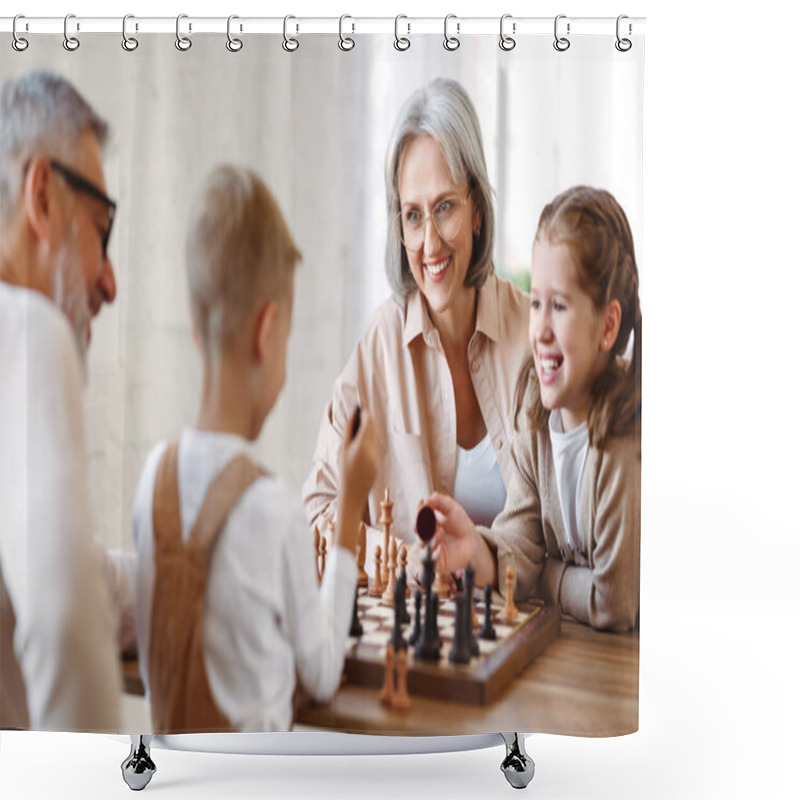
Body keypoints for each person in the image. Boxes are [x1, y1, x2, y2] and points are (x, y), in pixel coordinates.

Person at [131, 165, 378, 733]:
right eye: (288, 339)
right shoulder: (271, 507)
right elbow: (320, 672)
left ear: (197, 332)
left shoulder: (152, 481)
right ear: (267, 332)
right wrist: (347, 520)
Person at [302, 78, 530, 556]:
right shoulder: (381, 343)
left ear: (477, 210)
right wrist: (415, 565)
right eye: (412, 215)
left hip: (527, 624)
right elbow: (319, 511)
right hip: (417, 623)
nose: (430, 245)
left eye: (444, 207)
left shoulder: (529, 330)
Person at [427, 186, 641, 632]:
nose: (539, 328)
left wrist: (547, 575)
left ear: (607, 326)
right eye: (536, 302)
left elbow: (615, 603)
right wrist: (478, 551)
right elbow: (522, 545)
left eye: (559, 306)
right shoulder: (536, 414)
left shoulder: (624, 437)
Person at [0, 71, 122, 730]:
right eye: (101, 230)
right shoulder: (24, 327)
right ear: (41, 196)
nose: (110, 280)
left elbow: (83, 581)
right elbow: (67, 628)